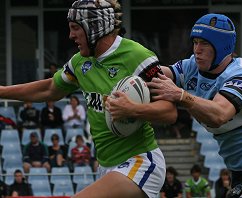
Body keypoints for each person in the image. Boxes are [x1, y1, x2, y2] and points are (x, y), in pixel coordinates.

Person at [0, 0, 177, 197]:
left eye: (75, 28)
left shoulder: (137, 56)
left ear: (95, 27)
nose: (70, 35)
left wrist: (132, 109)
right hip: (106, 167)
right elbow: (50, 89)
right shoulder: (79, 62)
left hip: (141, 161)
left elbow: (169, 112)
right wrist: (2, 91)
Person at [147, 13, 242, 197]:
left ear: (222, 46)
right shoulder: (193, 66)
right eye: (195, 42)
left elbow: (219, 115)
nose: (197, 50)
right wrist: (138, 67)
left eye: (204, 43)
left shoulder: (240, 74)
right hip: (238, 174)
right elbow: (158, 74)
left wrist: (180, 95)